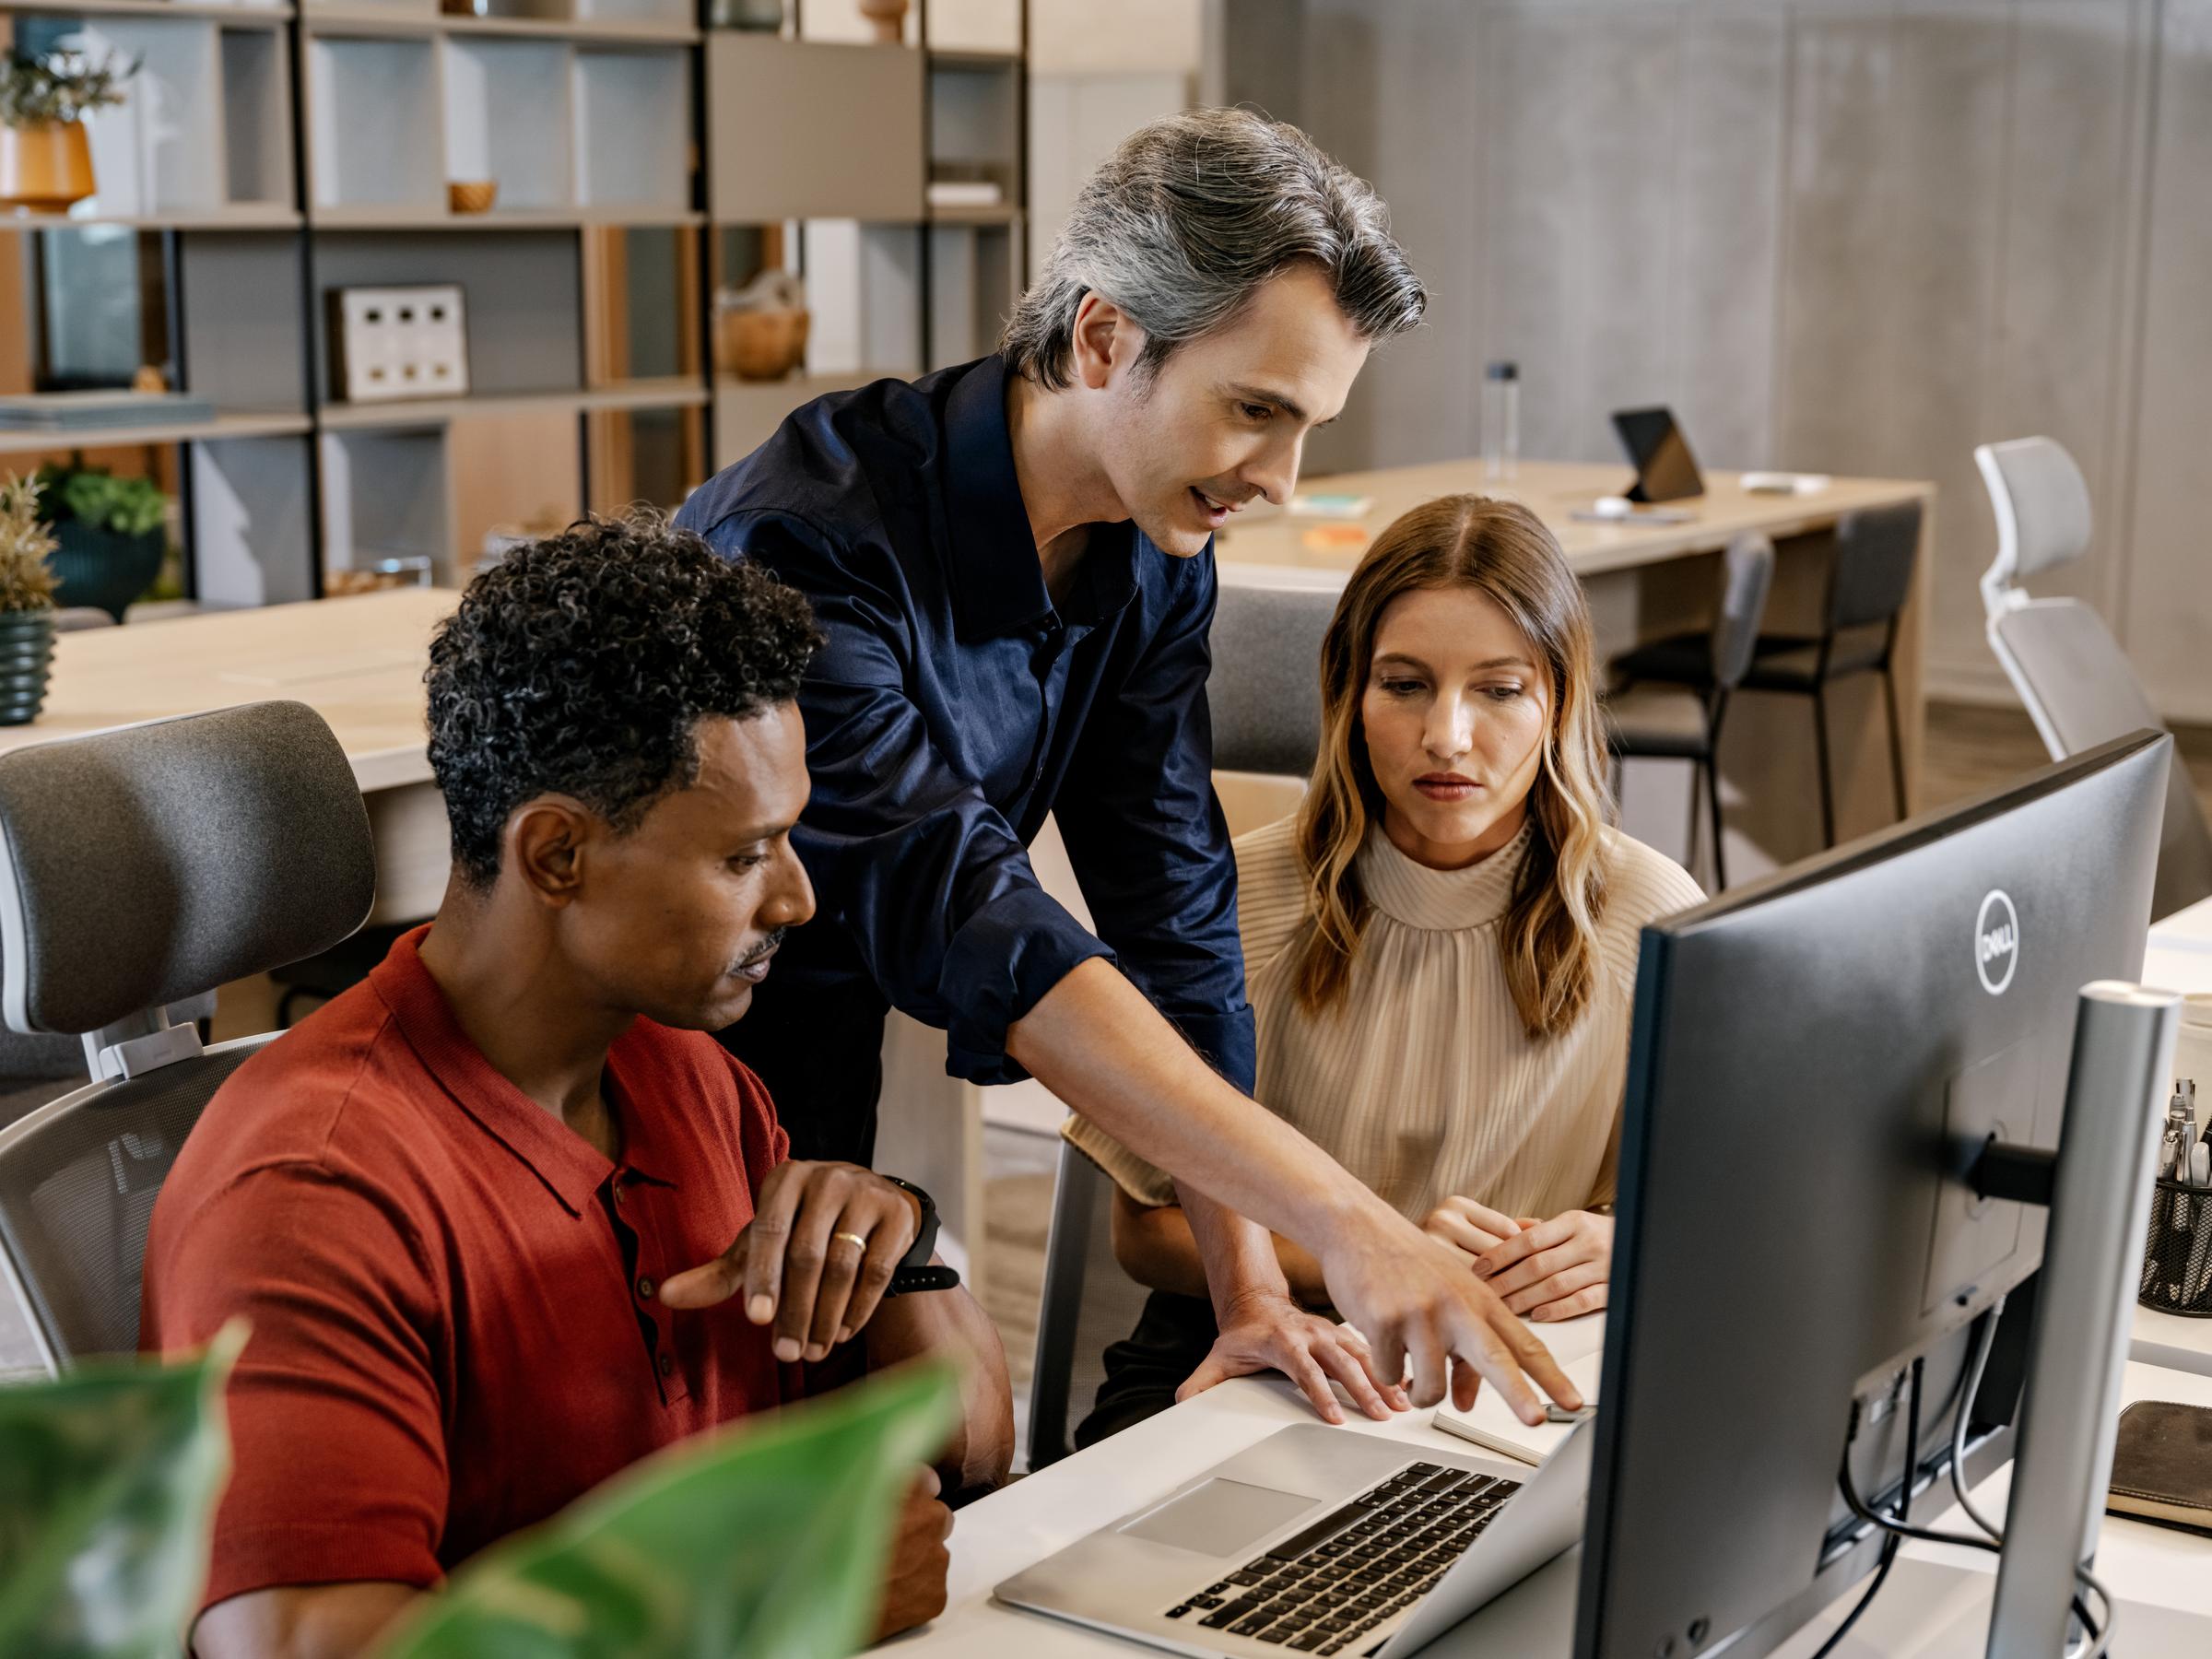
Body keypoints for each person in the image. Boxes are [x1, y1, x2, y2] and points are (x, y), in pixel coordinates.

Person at [676, 108, 1581, 1425]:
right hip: (646, 1072)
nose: (1282, 478)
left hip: (815, 1052)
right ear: (1104, 339)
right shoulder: (812, 538)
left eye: (1309, 426)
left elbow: (1175, 915)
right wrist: (1348, 1222)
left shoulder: (1155, 554)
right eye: (1256, 411)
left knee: (886, 1457)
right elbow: (966, 907)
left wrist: (1250, 1289)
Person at [141, 516, 1013, 1659]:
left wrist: (902, 1241)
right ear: (556, 855)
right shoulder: (311, 1192)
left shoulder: (698, 1081)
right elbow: (310, 1645)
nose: (796, 899)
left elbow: (972, 1457)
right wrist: (770, 1604)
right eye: (743, 856)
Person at [1066, 495, 1706, 1441]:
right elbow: (1143, 1235)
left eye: (1500, 690)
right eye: (1404, 685)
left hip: (1514, 1374)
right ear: (1349, 696)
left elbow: (1712, 1207)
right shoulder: (1228, 904)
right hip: (1262, 1353)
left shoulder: (1650, 916)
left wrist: (1628, 1244)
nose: (1447, 736)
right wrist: (1375, 1254)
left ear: (1560, 702)